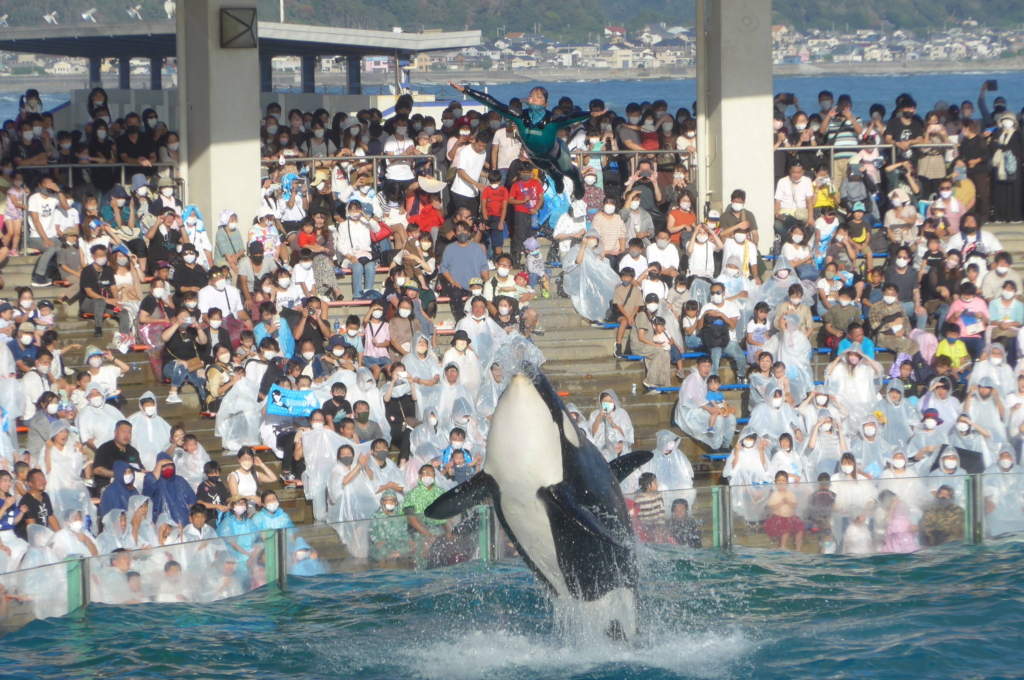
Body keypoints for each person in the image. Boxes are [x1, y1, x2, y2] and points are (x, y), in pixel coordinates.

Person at [697, 282, 745, 381]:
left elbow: (733, 325)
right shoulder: (706, 307)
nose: (715, 295)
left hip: (729, 340)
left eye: (718, 292)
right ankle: (714, 381)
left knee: (740, 357)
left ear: (724, 293)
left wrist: (721, 315)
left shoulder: (731, 306)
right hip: (714, 341)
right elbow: (700, 327)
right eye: (712, 293)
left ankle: (741, 376)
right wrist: (705, 314)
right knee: (715, 358)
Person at [764, 471, 803, 551]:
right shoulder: (775, 494)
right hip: (779, 519)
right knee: (785, 532)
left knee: (800, 531)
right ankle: (783, 548)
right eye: (779, 480)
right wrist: (782, 502)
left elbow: (795, 505)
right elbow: (772, 507)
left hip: (791, 518)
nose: (781, 483)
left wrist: (788, 502)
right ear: (775, 482)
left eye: (783, 481)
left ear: (787, 483)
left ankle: (798, 550)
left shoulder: (790, 494)